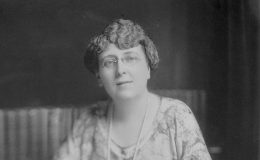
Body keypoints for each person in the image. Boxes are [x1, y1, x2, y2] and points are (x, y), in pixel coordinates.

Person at [53, 19, 211, 160]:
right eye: (109, 62)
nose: (120, 70)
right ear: (99, 76)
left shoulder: (176, 116)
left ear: (148, 68)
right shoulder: (87, 122)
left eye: (130, 58)